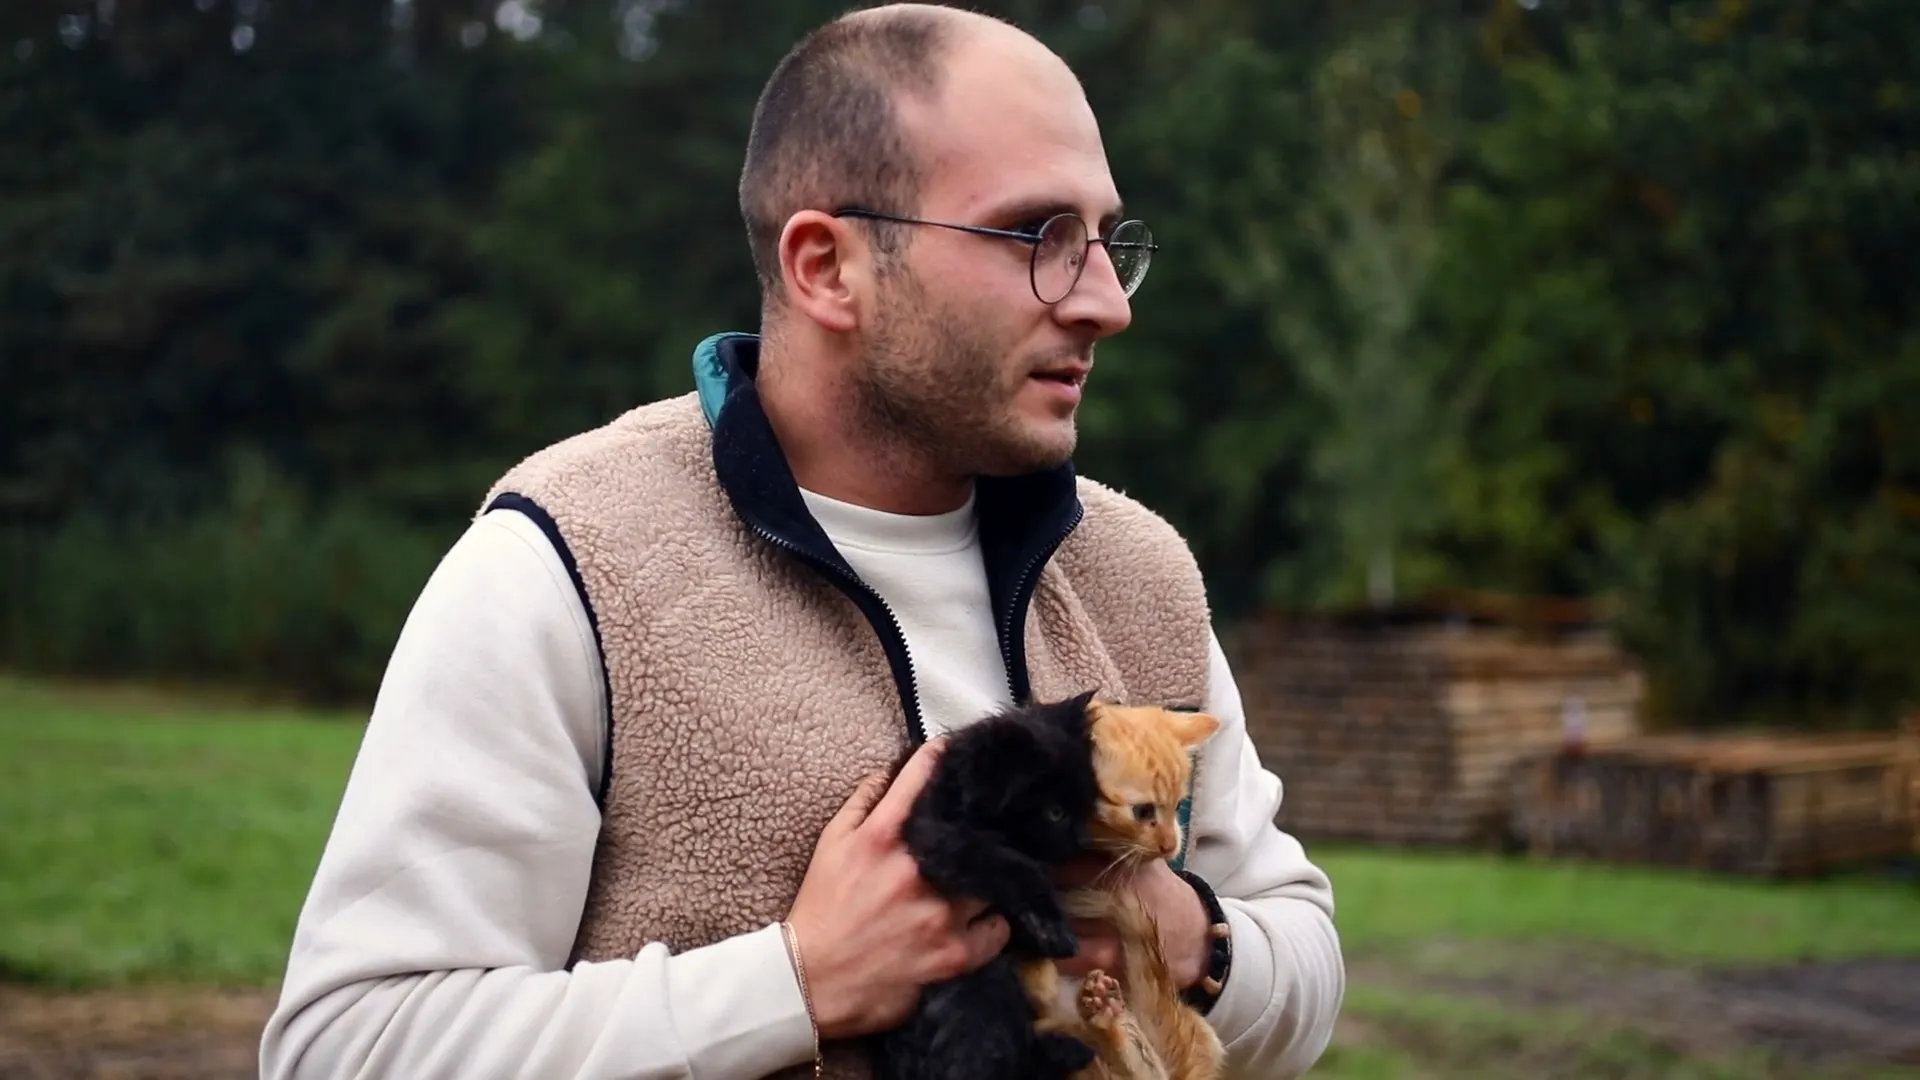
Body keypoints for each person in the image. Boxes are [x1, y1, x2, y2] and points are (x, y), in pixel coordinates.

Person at [256, 4, 1344, 1079]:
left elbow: (1304, 956)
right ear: (827, 267)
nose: (1106, 302)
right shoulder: (567, 565)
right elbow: (347, 1046)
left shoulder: (1137, 571)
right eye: (1038, 237)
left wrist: (1191, 941)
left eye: (1108, 242)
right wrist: (793, 983)